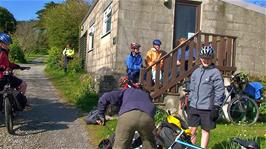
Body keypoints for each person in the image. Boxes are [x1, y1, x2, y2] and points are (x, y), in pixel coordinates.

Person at [97, 76, 156, 149]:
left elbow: (104, 98)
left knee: (120, 145)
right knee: (149, 144)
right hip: (147, 116)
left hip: (128, 115)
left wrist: (101, 116)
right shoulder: (145, 94)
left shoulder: (125, 91)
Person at [187, 45, 224, 148]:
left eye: (208, 58)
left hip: (207, 108)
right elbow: (192, 89)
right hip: (194, 106)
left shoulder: (215, 73)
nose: (206, 60)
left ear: (211, 58)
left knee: (205, 130)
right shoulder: (196, 72)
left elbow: (219, 90)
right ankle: (191, 147)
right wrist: (189, 102)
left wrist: (216, 106)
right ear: (200, 58)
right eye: (204, 58)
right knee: (191, 130)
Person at [0, 32, 30, 110]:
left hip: (6, 77)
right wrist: (3, 67)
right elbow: (4, 65)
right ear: (1, 43)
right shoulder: (2, 52)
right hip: (2, 78)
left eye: (8, 44)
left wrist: (19, 67)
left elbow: (8, 64)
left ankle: (17, 102)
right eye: (6, 44)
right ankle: (19, 102)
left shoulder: (4, 52)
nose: (8, 46)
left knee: (21, 85)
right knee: (23, 84)